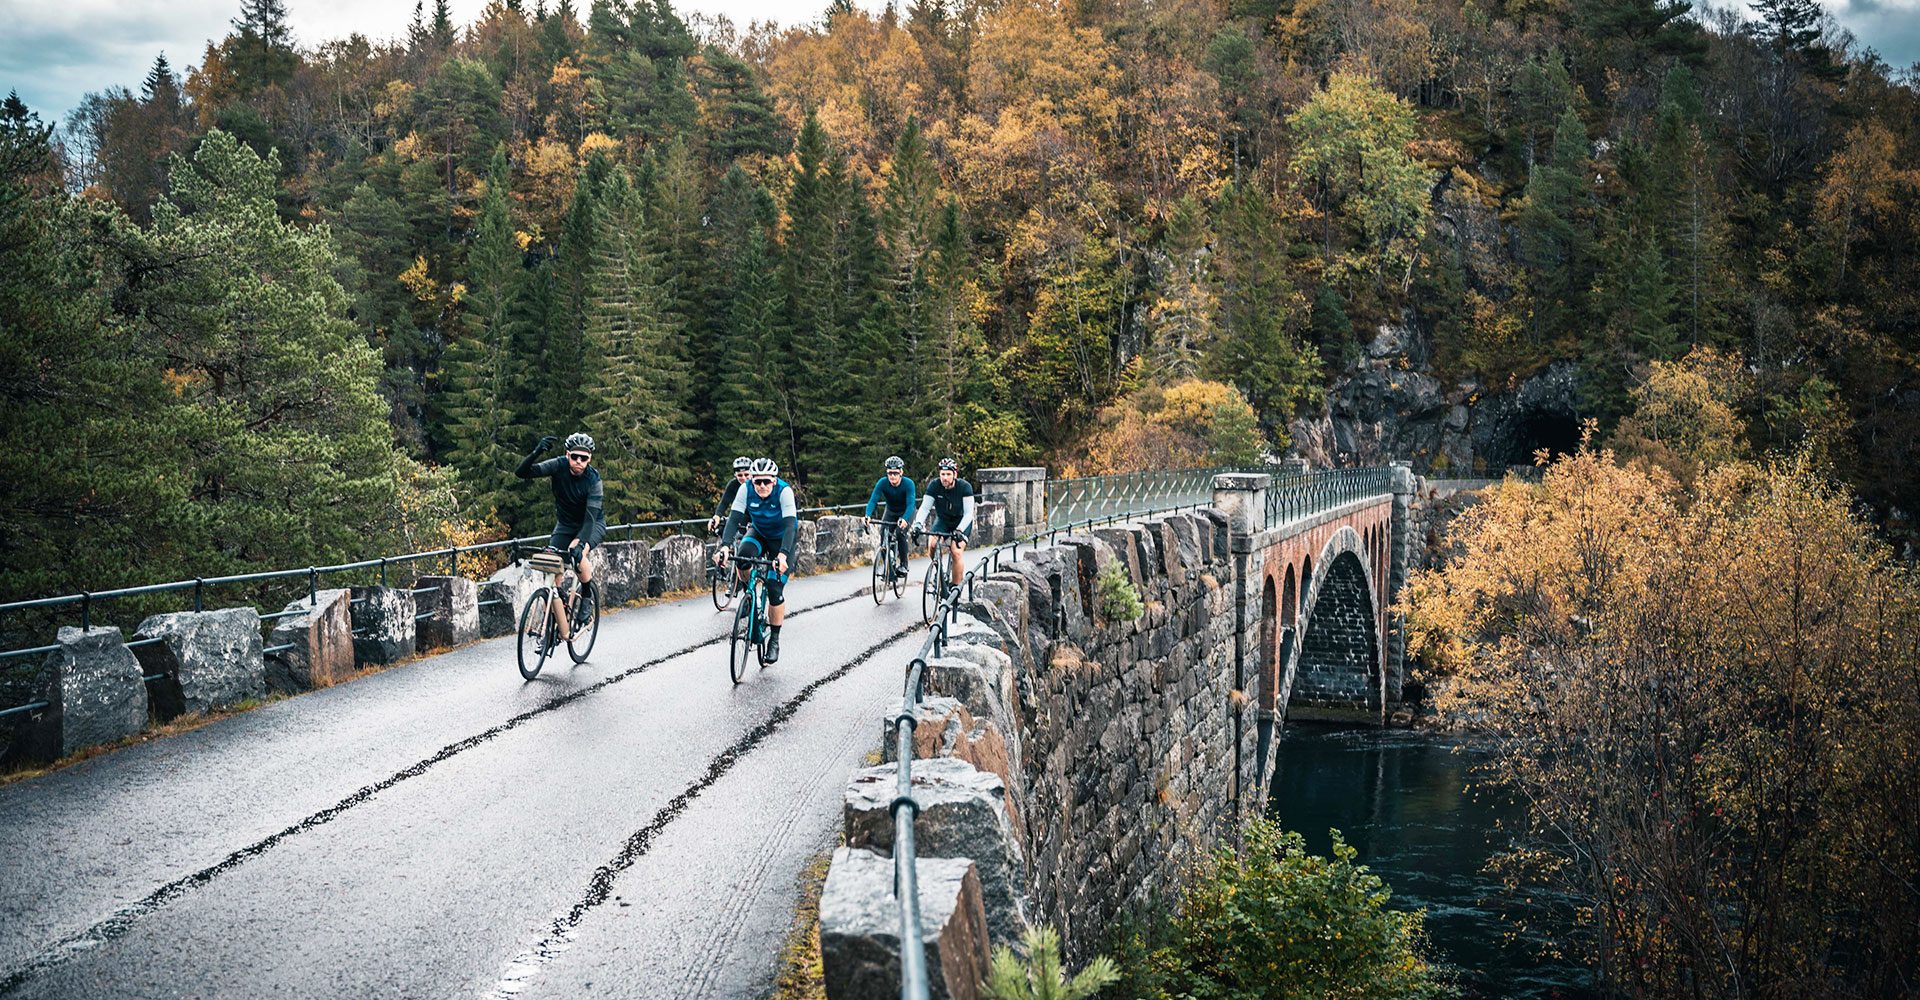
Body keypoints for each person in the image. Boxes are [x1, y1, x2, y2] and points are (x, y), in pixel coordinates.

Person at [515, 432, 604, 640]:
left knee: (577, 554)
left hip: (591, 524)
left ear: (589, 458)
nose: (578, 462)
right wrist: (536, 452)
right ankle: (556, 615)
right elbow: (522, 473)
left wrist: (581, 542)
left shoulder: (594, 480)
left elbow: (590, 519)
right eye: (574, 457)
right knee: (551, 566)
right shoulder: (558, 465)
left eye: (584, 458)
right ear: (567, 455)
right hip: (565, 525)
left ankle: (587, 596)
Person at [714, 458, 797, 663]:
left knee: (775, 589)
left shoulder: (785, 492)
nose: (761, 486)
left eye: (766, 482)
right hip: (758, 533)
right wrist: (725, 546)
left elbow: (790, 526)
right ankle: (748, 594)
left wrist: (783, 555)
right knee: (742, 558)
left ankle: (774, 641)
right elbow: (734, 518)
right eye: (757, 481)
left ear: (774, 481)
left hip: (781, 540)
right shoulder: (745, 490)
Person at [910, 457, 973, 596]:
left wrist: (960, 530)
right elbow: (925, 508)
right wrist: (918, 525)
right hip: (943, 520)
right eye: (942, 474)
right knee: (932, 544)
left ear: (955, 474)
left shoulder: (964, 487)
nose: (945, 477)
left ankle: (956, 588)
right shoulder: (934, 485)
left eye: (948, 474)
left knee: (956, 552)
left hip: (961, 521)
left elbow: (969, 514)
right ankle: (938, 569)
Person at [863, 456, 916, 580]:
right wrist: (868, 515)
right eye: (890, 473)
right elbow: (873, 499)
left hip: (906, 511)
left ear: (901, 472)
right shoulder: (882, 482)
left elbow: (911, 504)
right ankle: (889, 561)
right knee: (884, 533)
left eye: (895, 473)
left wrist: (905, 519)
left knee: (900, 533)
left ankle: (904, 564)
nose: (892, 477)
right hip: (891, 510)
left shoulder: (908, 484)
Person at [707, 456, 753, 534]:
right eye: (740, 475)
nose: (744, 478)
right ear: (735, 475)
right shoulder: (733, 484)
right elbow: (724, 503)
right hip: (742, 515)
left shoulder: (758, 484)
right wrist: (717, 516)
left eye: (746, 475)